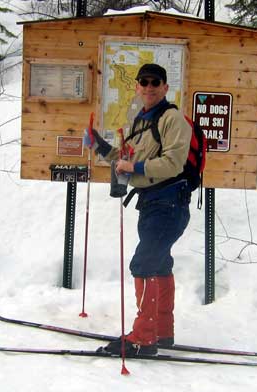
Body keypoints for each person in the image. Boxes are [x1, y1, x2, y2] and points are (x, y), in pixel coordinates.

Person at [84, 63, 192, 357]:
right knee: (158, 264)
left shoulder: (173, 119)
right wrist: (99, 146)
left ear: (165, 87)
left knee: (144, 264)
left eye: (155, 82)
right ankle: (161, 331)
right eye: (143, 82)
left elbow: (173, 163)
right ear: (137, 87)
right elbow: (125, 159)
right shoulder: (140, 123)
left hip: (169, 204)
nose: (149, 86)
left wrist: (135, 167)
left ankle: (143, 337)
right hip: (152, 205)